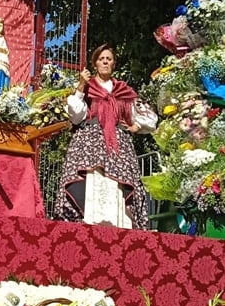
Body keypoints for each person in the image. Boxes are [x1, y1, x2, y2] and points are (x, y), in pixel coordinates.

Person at [53, 44, 156, 229]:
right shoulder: (87, 88)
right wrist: (81, 85)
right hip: (89, 144)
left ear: (114, 63)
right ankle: (90, 224)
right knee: (92, 180)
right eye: (101, 59)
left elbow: (149, 117)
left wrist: (136, 126)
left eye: (109, 58)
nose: (105, 61)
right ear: (95, 64)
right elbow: (76, 115)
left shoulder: (123, 91)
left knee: (116, 184)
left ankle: (117, 226)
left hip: (117, 145)